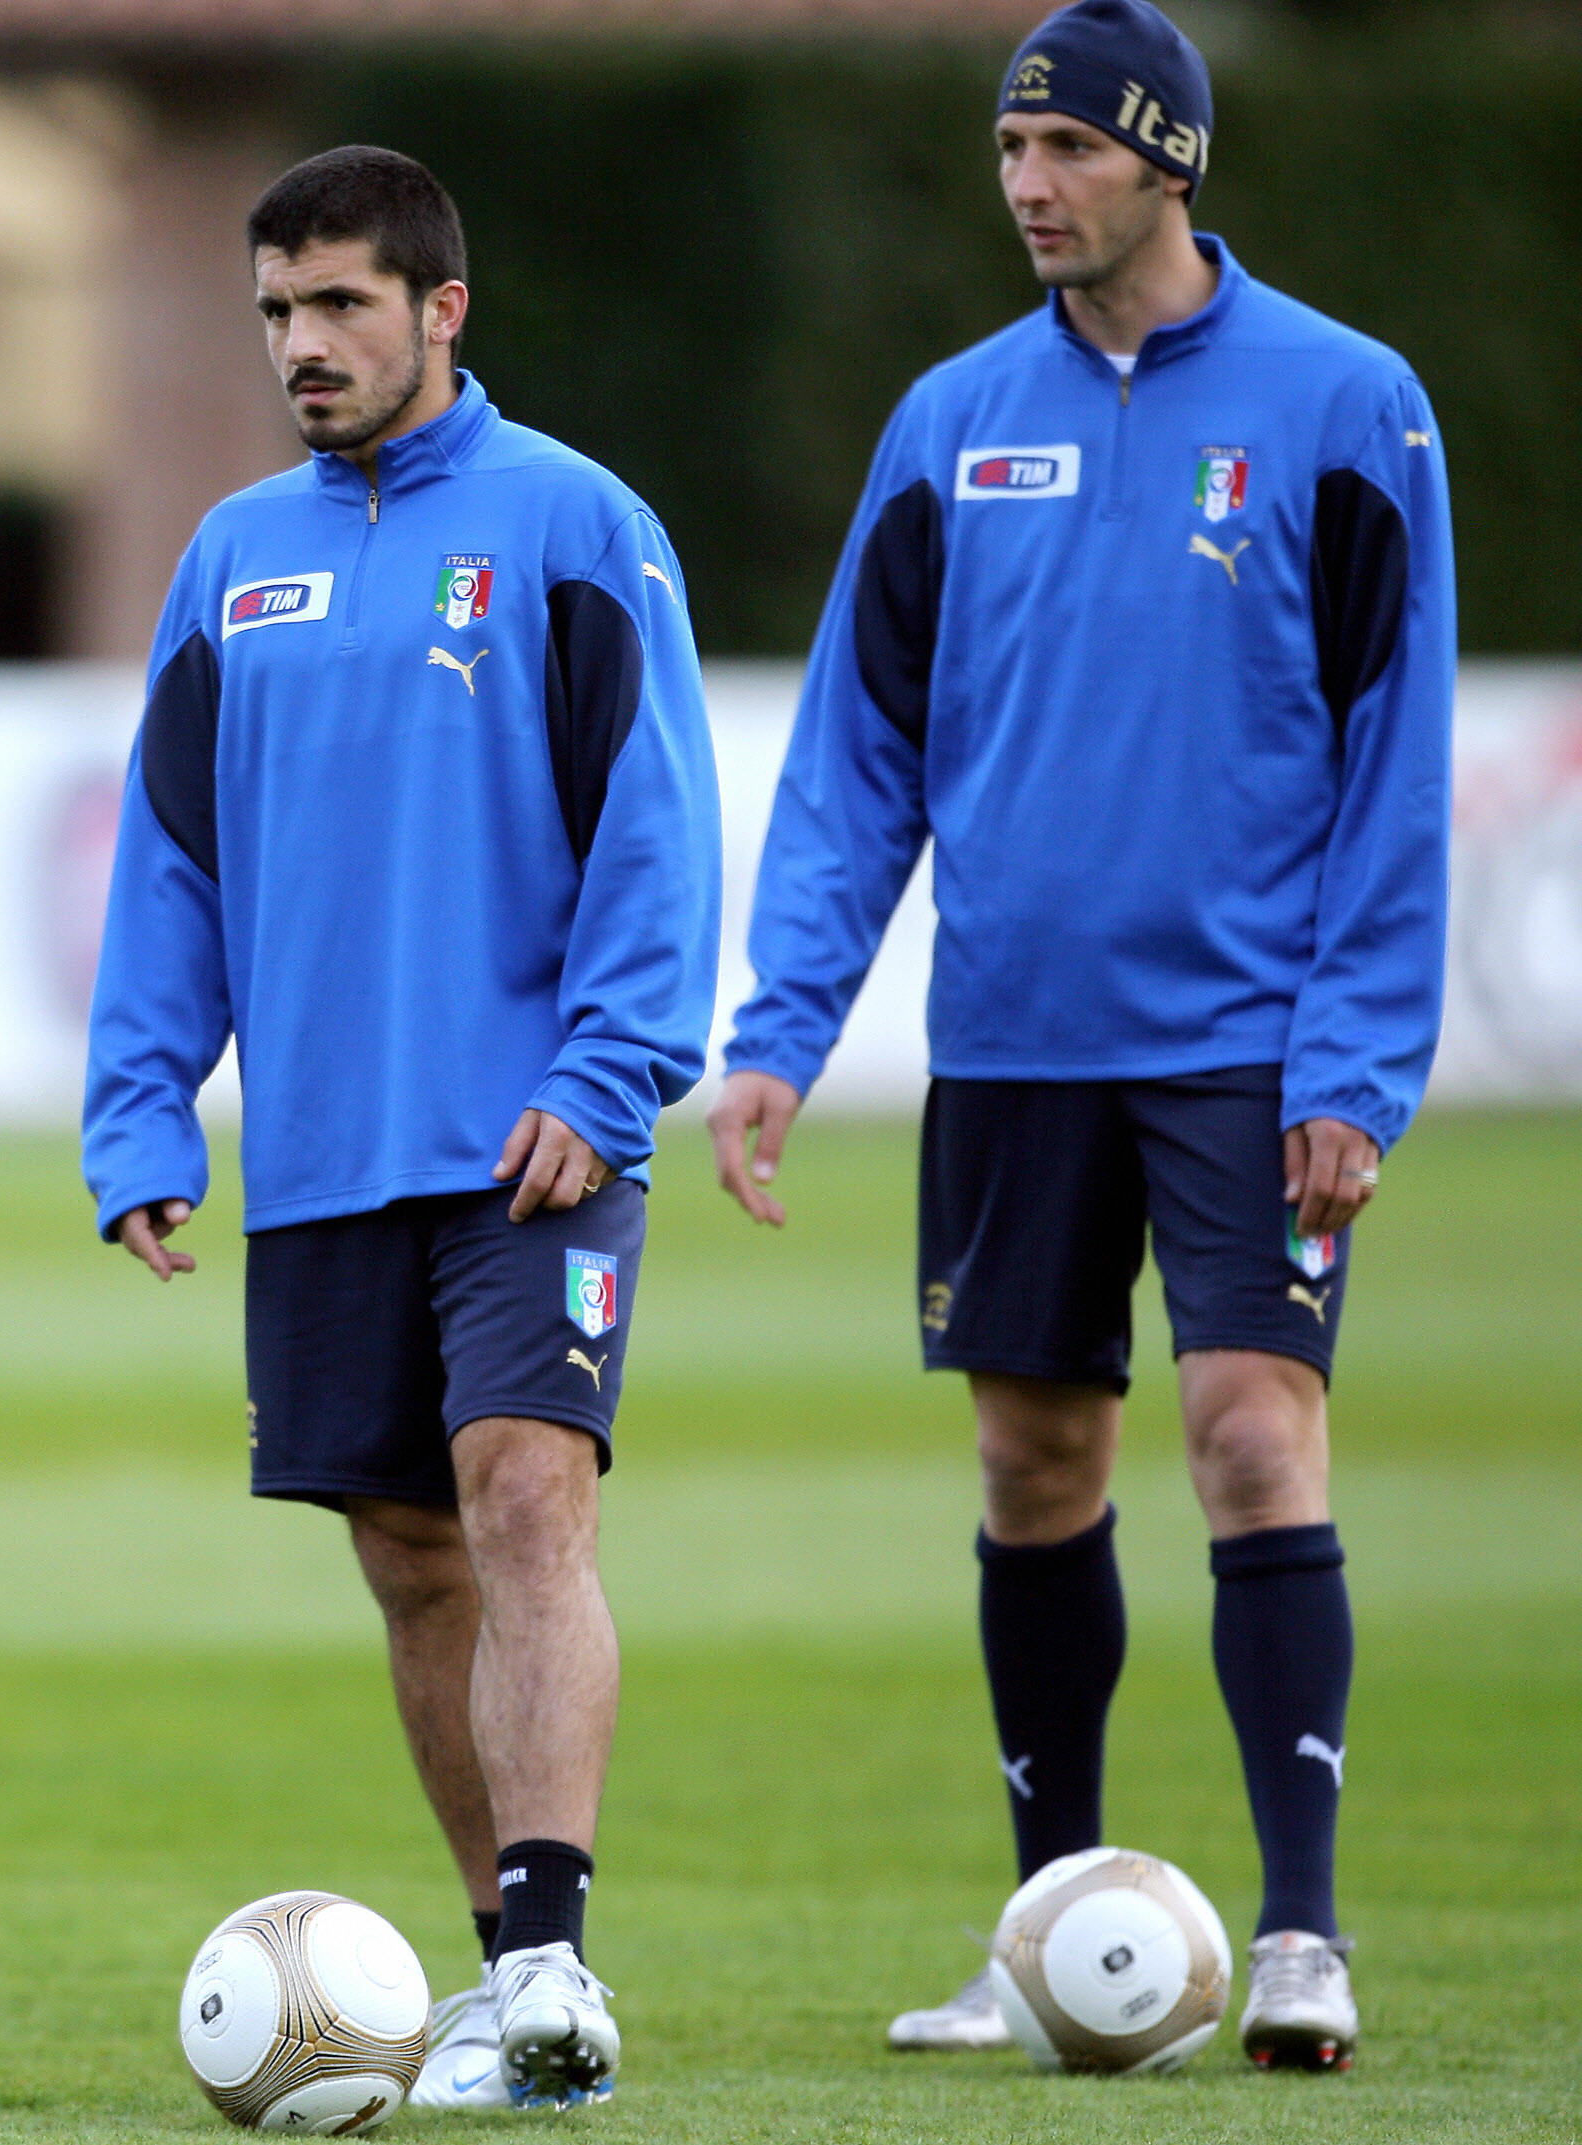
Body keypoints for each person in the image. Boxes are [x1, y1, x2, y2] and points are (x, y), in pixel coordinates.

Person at [708, 0, 1450, 2073]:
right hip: (1013, 1040)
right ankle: (1050, 1930)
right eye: (1008, 154)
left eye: (1067, 153)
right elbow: (859, 755)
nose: (1028, 188)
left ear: (1168, 162)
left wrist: (1353, 1060)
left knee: (1243, 1428)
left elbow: (1393, 758)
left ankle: (1297, 1928)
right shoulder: (951, 419)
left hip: (1241, 1043)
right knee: (1035, 1460)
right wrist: (777, 1026)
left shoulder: (1344, 403)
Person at [84, 146, 720, 2111]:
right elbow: (169, 859)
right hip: (329, 1151)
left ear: (441, 310)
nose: (301, 342)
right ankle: (492, 1973)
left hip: (534, 1135)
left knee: (526, 1497)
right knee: (407, 1554)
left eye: (340, 303)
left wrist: (601, 1075)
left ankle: (549, 1960)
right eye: (276, 309)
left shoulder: (570, 527)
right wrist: (139, 1106)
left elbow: (658, 829)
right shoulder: (229, 559)